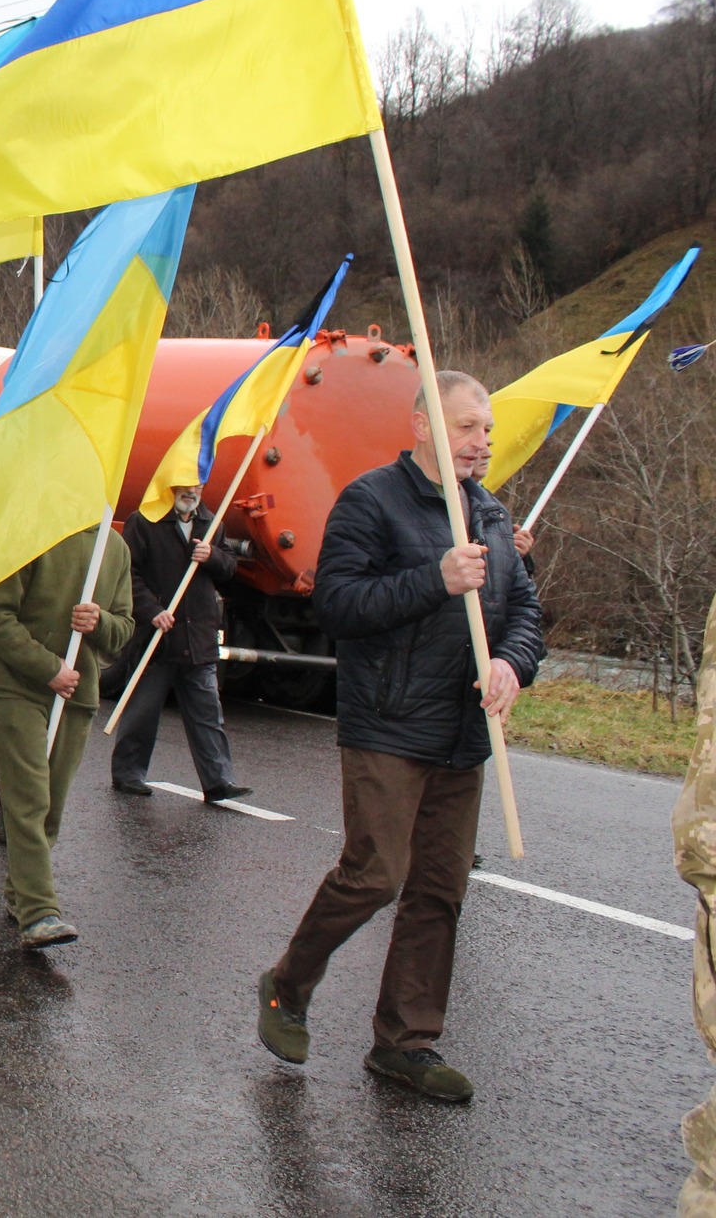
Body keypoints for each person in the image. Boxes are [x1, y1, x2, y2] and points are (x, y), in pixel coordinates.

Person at [257, 371, 543, 1104]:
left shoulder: (493, 515)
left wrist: (512, 663)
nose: (483, 441)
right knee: (376, 874)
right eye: (467, 426)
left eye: (487, 428)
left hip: (462, 734)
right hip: (387, 722)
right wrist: (434, 578)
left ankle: (406, 1042)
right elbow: (340, 604)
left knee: (441, 890)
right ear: (421, 425)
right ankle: (288, 984)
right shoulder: (370, 500)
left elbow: (525, 612)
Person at [0, 521, 134, 950]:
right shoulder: (30, 531)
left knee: (50, 808)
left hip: (78, 694)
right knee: (29, 798)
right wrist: (48, 668)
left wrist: (100, 622)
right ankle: (39, 911)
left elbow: (123, 629)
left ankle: (19, 892)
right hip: (19, 686)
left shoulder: (115, 547)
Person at [108, 483, 252, 802]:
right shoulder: (144, 521)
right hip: (156, 637)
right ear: (170, 486)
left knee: (207, 712)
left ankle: (218, 781)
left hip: (198, 636)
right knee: (143, 709)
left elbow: (229, 566)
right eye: (185, 487)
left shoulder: (211, 522)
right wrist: (151, 610)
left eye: (197, 487)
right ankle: (128, 773)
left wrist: (212, 554)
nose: (192, 492)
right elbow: (126, 574)